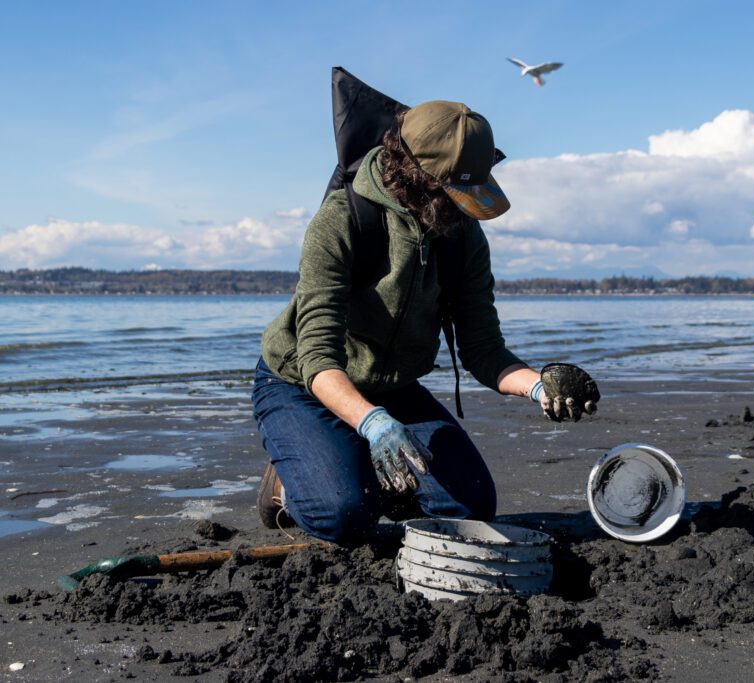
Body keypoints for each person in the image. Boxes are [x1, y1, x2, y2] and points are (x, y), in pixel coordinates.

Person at [251, 100, 598, 542]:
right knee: (344, 514)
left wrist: (539, 386)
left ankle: (348, 460)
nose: (464, 207)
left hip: (390, 386)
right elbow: (317, 359)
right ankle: (288, 482)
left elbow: (484, 349)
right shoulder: (342, 221)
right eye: (454, 191)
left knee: (470, 506)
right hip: (301, 383)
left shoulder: (462, 237)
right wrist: (373, 423)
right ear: (416, 174)